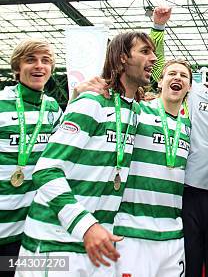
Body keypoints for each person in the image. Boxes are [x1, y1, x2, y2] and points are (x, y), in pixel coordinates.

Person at [16, 32, 156, 276]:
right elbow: (46, 171)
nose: (153, 58)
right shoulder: (93, 102)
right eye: (145, 52)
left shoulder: (134, 111)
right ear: (122, 58)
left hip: (96, 246)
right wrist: (87, 226)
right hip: (54, 246)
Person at [148, 8, 208, 277]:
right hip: (189, 188)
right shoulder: (194, 91)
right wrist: (158, 28)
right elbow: (160, 73)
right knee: (188, 257)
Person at [113, 59, 192, 276]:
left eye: (184, 76)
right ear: (160, 82)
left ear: (189, 87)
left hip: (172, 234)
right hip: (133, 231)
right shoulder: (138, 112)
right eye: (172, 74)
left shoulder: (187, 126)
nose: (178, 78)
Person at [0, 40, 63, 277]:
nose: (39, 66)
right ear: (17, 67)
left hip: (31, 227)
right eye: (31, 60)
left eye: (45, 61)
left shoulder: (53, 108)